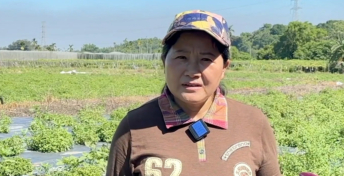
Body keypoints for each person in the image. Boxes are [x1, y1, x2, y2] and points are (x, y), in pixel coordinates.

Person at [106, 10, 282, 176]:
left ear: (224, 68)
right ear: (164, 61)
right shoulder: (135, 126)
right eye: (181, 57)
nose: (192, 71)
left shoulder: (254, 123)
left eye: (206, 59)